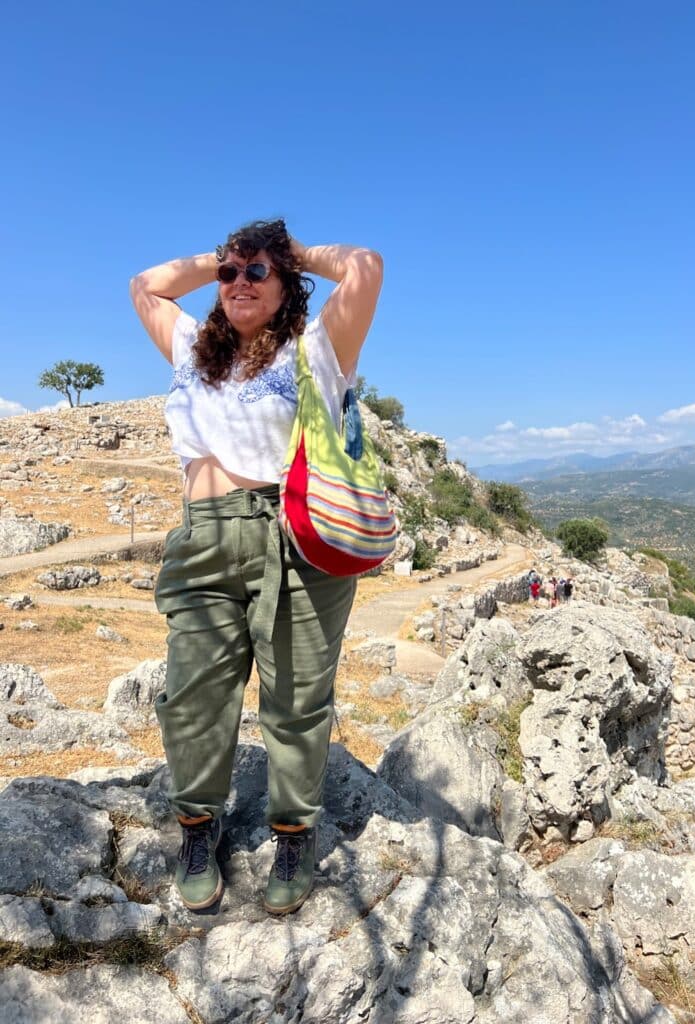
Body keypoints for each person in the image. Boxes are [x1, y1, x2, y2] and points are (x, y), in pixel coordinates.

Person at [130, 219, 383, 915]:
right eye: (230, 274)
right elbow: (144, 286)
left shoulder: (316, 348)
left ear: (287, 285)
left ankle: (294, 835)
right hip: (205, 539)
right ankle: (196, 828)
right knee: (193, 696)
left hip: (294, 542)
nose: (240, 283)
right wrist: (226, 256)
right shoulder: (189, 347)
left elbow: (364, 265)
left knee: (297, 703)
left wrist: (289, 251)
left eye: (257, 273)